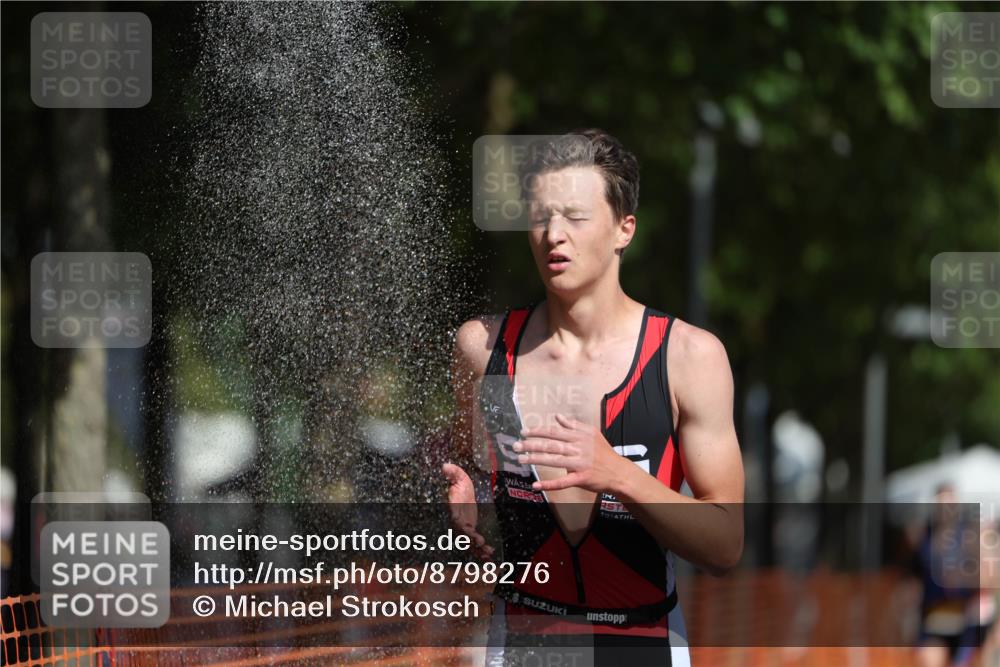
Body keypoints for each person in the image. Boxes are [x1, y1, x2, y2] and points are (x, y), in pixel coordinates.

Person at [442, 129, 744, 666]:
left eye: (575, 217)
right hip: (519, 646)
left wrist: (619, 475)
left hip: (641, 644)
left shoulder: (689, 358)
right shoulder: (481, 348)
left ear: (623, 229)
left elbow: (725, 543)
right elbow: (476, 493)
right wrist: (467, 521)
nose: (553, 234)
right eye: (540, 217)